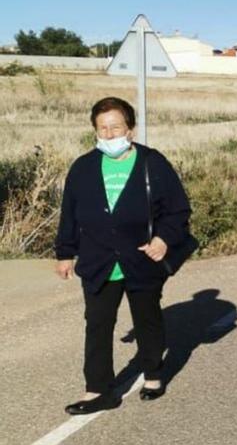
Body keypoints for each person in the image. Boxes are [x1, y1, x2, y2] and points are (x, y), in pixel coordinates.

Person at [54, 97, 194, 414]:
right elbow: (69, 216)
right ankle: (98, 390)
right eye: (102, 128)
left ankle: (153, 373)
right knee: (98, 324)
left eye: (115, 126)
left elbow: (178, 211)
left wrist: (163, 239)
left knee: (147, 319)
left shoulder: (152, 163)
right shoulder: (83, 167)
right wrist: (65, 253)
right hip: (98, 260)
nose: (109, 133)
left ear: (129, 129)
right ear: (95, 131)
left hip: (142, 258)